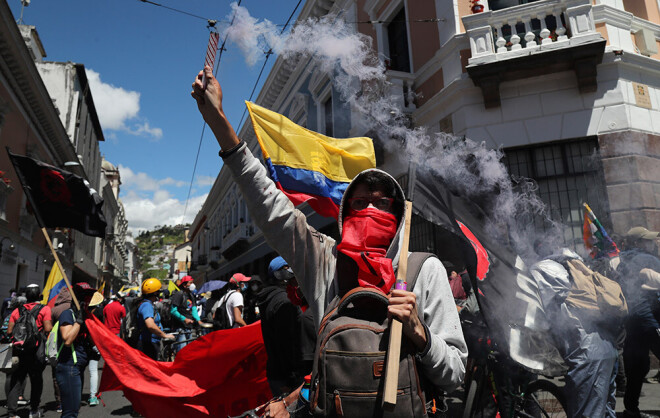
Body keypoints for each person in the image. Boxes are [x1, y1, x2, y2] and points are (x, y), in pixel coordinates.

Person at [192, 67, 467, 415]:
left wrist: (420, 332)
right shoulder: (325, 259)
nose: (370, 210)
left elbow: (455, 373)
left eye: (382, 203)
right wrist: (220, 125)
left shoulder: (424, 269)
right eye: (360, 202)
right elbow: (269, 205)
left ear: (398, 214)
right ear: (345, 211)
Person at [530, 244, 619, 418]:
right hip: (607, 349)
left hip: (587, 355)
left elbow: (535, 311)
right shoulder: (578, 273)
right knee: (606, 412)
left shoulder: (543, 271)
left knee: (587, 413)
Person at [618, 226, 660, 418]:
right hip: (648, 317)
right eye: (647, 240)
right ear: (637, 243)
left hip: (631, 319)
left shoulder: (621, 261)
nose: (651, 243)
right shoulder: (648, 259)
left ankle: (631, 410)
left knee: (637, 365)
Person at [257, 256, 304, 396]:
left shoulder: (271, 298)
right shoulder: (284, 302)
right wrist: (291, 379)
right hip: (287, 378)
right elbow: (287, 342)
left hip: (277, 372)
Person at [55, 282, 102, 418]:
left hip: (78, 367)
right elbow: (68, 340)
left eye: (89, 296)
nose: (88, 299)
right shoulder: (68, 315)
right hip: (68, 367)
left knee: (74, 409)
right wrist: (79, 321)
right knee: (70, 413)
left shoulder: (84, 316)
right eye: (85, 296)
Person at [6, 284, 51, 418]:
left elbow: (9, 331)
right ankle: (34, 410)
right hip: (36, 352)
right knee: (36, 380)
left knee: (17, 380)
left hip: (19, 351)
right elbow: (48, 328)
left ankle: (12, 413)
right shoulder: (45, 309)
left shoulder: (17, 310)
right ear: (39, 296)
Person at [136, 278, 175, 360]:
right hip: (147, 345)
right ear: (155, 293)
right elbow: (150, 325)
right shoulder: (147, 305)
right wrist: (165, 336)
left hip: (150, 343)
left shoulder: (148, 304)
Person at [170, 275, 203, 353]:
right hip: (180, 327)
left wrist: (199, 321)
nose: (192, 285)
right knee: (182, 351)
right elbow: (173, 311)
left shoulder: (191, 295)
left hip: (189, 327)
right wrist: (184, 319)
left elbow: (194, 309)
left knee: (189, 351)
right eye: (190, 283)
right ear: (184, 285)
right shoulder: (179, 294)